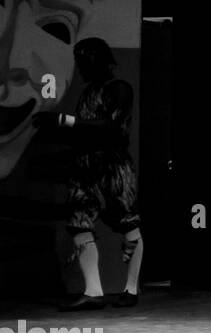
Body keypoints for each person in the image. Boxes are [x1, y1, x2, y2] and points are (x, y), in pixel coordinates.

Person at [32, 38, 143, 310]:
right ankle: (93, 292)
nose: (80, 67)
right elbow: (85, 132)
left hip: (113, 167)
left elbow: (111, 129)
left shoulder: (119, 89)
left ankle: (130, 289)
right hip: (86, 167)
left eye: (84, 61)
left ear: (99, 60)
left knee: (126, 222)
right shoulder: (88, 93)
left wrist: (63, 122)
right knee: (79, 222)